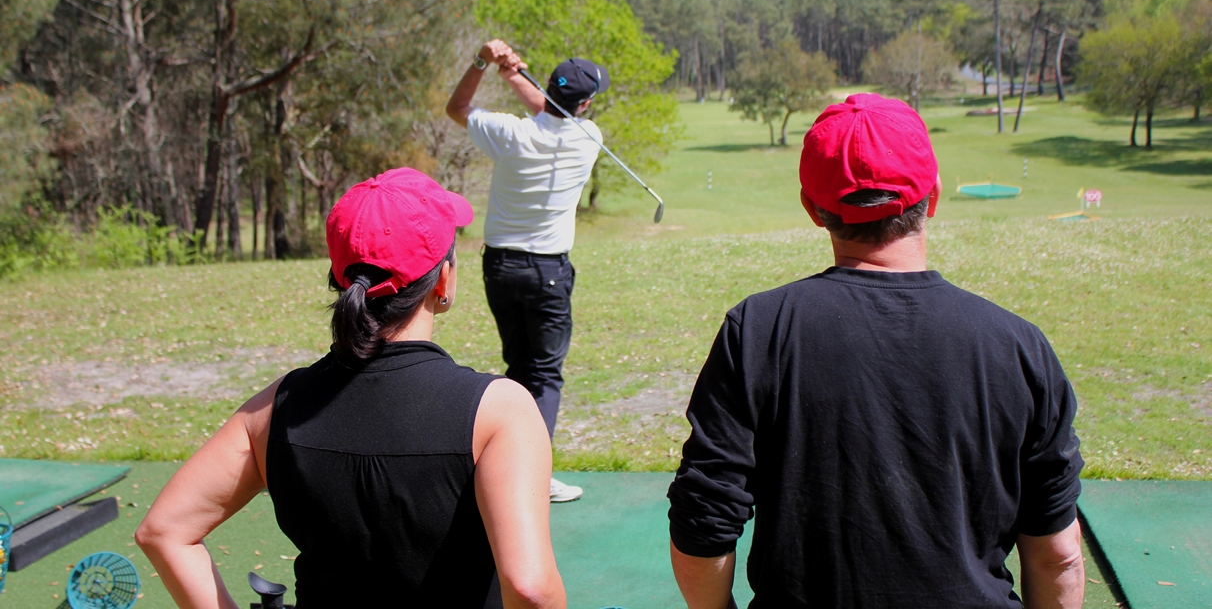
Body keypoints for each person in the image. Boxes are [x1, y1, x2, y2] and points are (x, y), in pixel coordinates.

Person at [667, 93, 1085, 609]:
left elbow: (704, 520)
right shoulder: (1020, 346)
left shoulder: (756, 329)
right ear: (932, 197)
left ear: (813, 209)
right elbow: (1056, 554)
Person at [137, 168, 565, 609]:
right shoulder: (501, 411)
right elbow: (530, 589)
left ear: (341, 278)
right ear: (443, 279)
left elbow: (165, 531)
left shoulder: (274, 407)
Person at [446, 39, 608, 503]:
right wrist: (513, 74)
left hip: (499, 267)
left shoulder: (509, 133)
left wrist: (485, 62)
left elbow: (457, 106)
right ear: (587, 103)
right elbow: (555, 110)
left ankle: (503, 468)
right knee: (545, 377)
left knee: (519, 369)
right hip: (548, 273)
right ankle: (530, 478)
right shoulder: (589, 137)